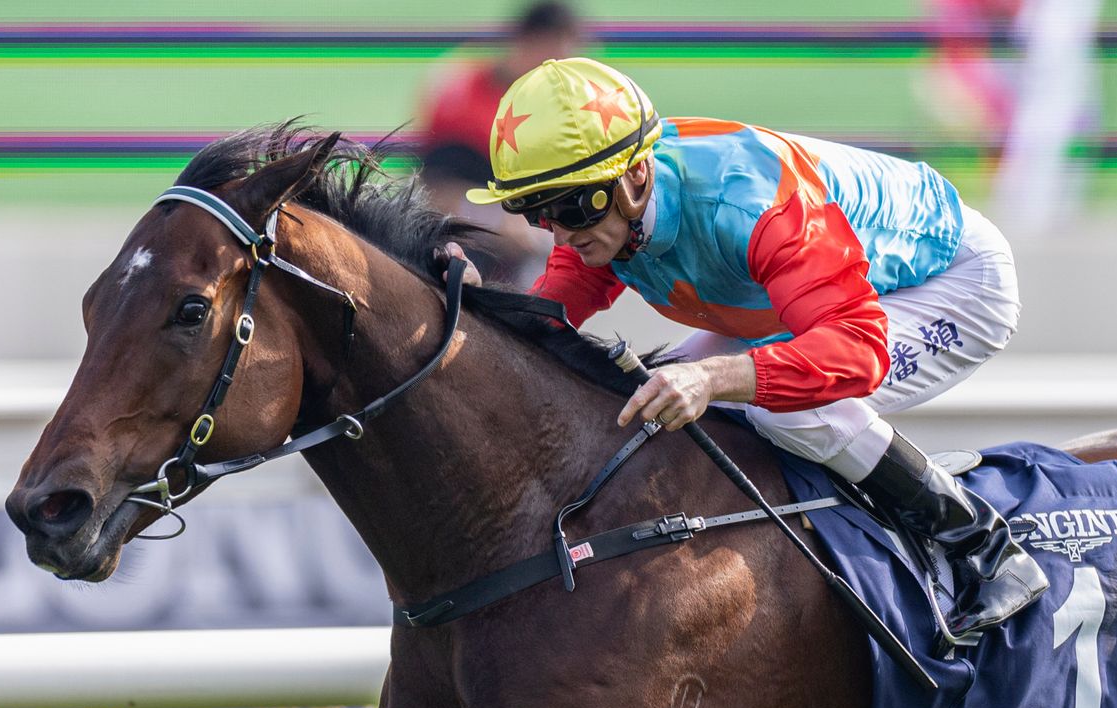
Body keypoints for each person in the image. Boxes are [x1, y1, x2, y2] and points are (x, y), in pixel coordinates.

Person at [449, 57, 1047, 640]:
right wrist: (474, 310)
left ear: (636, 176)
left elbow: (854, 351)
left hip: (947, 282)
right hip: (798, 300)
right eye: (534, 211)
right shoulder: (602, 215)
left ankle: (985, 547)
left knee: (778, 404)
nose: (559, 231)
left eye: (573, 206)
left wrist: (716, 378)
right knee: (660, 396)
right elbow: (552, 316)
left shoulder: (749, 201)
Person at [415, 1, 583, 286]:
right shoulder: (462, 97)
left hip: (529, 254)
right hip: (463, 242)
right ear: (525, 42)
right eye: (551, 55)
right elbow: (433, 192)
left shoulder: (567, 111)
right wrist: (495, 220)